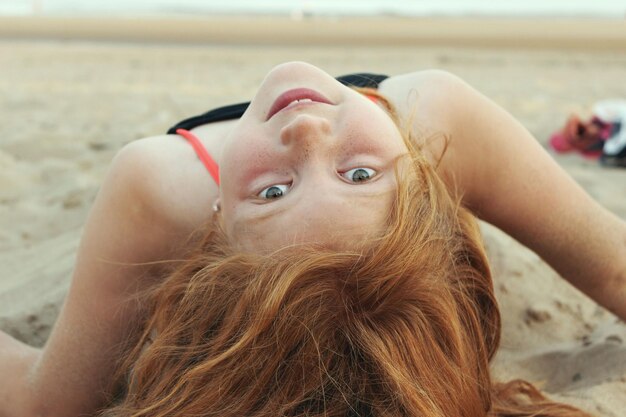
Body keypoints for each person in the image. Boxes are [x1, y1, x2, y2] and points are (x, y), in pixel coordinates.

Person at [0, 61, 624, 417]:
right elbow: (614, 270)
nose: (305, 131)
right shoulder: (438, 122)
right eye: (360, 176)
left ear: (217, 225)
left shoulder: (161, 187)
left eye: (273, 192)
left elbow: (40, 402)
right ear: (427, 187)